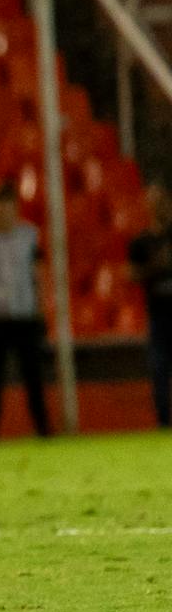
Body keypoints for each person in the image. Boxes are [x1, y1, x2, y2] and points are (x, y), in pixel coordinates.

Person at [0, 183, 52, 439]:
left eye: (6, 205)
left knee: (34, 376)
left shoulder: (30, 235)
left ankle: (43, 428)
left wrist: (42, 307)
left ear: (15, 207)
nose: (1, 210)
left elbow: (39, 274)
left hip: (24, 315)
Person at [129, 183, 172, 428]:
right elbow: (131, 274)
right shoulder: (141, 242)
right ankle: (164, 423)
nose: (159, 207)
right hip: (158, 316)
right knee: (159, 370)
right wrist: (156, 265)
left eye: (162, 201)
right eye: (154, 202)